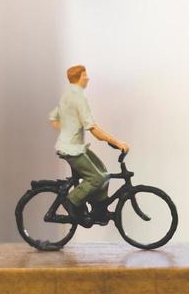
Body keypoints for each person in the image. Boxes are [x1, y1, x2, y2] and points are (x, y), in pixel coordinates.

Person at [48, 64, 130, 223]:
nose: (88, 78)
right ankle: (72, 202)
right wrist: (117, 142)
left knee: (104, 174)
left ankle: (99, 211)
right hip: (71, 149)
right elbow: (94, 129)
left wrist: (69, 128)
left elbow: (54, 118)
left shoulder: (68, 94)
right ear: (78, 78)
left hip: (75, 146)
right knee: (97, 179)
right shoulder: (78, 97)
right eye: (85, 76)